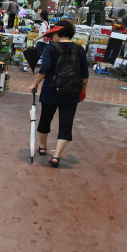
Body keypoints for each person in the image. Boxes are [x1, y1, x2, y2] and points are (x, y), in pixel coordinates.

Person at [29, 20, 90, 168]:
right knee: (66, 124)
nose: (51, 38)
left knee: (45, 119)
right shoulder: (79, 49)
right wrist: (83, 91)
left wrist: (35, 84)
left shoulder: (51, 48)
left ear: (58, 33)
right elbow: (85, 75)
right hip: (72, 92)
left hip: (51, 91)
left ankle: (43, 147)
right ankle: (56, 156)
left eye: (53, 34)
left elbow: (44, 70)